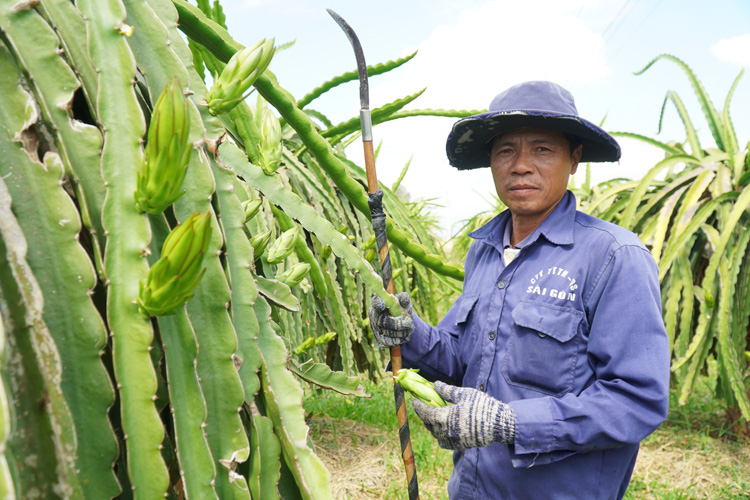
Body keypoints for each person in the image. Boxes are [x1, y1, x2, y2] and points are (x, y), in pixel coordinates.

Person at [369, 80, 670, 500]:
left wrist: (512, 422)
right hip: (474, 489)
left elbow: (637, 400)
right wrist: (411, 333)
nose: (521, 165)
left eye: (542, 149)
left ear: (574, 159)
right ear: (491, 162)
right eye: (505, 150)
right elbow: (463, 360)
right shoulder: (485, 252)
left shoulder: (614, 256)